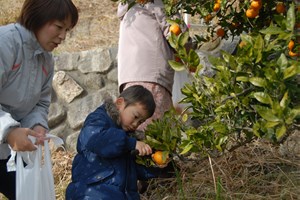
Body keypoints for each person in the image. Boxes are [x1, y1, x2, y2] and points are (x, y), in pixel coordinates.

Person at [0, 0, 78, 199]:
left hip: (8, 151)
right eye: (59, 27)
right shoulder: (6, 43)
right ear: (37, 18)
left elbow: (41, 102)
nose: (62, 36)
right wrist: (9, 131)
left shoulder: (46, 59)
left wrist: (36, 125)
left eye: (67, 30)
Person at [66, 85, 157, 200]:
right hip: (91, 193)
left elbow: (135, 169)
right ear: (120, 103)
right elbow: (96, 139)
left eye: (140, 122)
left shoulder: (128, 140)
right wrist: (131, 143)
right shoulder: (99, 119)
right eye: (135, 116)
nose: (135, 124)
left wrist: (158, 165)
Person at [117, 0, 190, 134]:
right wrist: (190, 49)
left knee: (134, 132)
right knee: (155, 135)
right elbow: (176, 32)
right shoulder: (156, 3)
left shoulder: (129, 7)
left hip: (129, 76)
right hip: (152, 76)